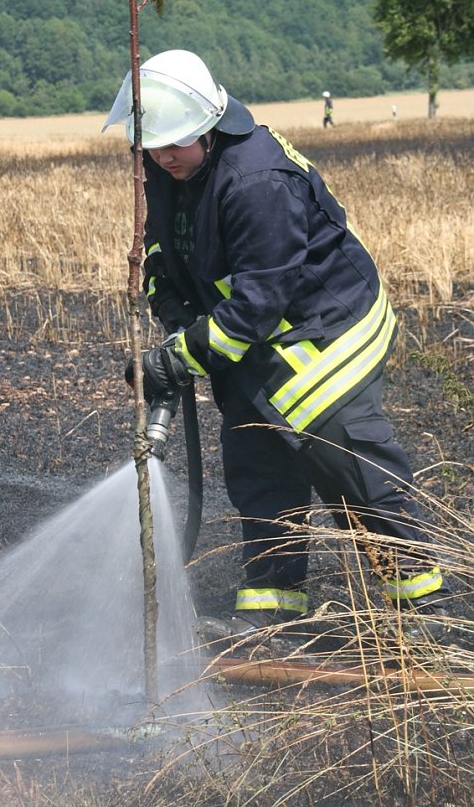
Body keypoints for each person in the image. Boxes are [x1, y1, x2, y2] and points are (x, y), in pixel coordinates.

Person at [104, 50, 450, 644]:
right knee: (259, 466)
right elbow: (163, 250)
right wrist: (174, 311)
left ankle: (422, 615)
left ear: (209, 125)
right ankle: (273, 615)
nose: (162, 157)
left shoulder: (256, 179)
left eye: (173, 145)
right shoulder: (170, 170)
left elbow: (256, 308)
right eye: (151, 147)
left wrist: (176, 357)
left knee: (350, 467)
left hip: (328, 331)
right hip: (256, 336)